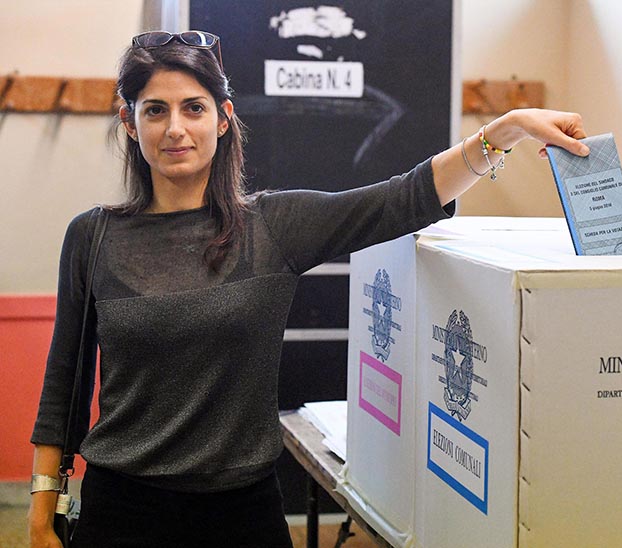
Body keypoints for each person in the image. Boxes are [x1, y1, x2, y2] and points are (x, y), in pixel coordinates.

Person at [28, 30, 588, 548]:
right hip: (122, 512)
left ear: (223, 120)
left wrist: (507, 128)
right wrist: (41, 507)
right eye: (155, 110)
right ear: (131, 124)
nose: (175, 128)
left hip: (241, 514)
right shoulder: (93, 235)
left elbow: (403, 198)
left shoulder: (272, 227)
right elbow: (65, 382)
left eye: (193, 108)